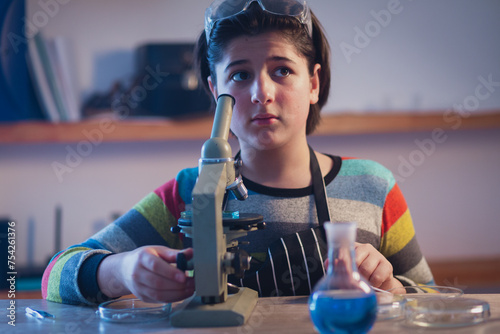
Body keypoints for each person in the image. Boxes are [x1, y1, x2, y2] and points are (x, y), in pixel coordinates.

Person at [42, 0, 434, 305]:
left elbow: (434, 298)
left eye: (282, 70)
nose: (261, 93)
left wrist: (394, 288)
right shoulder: (191, 192)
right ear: (216, 92)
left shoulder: (374, 186)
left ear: (313, 84)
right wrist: (120, 271)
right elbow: (53, 278)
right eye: (240, 75)